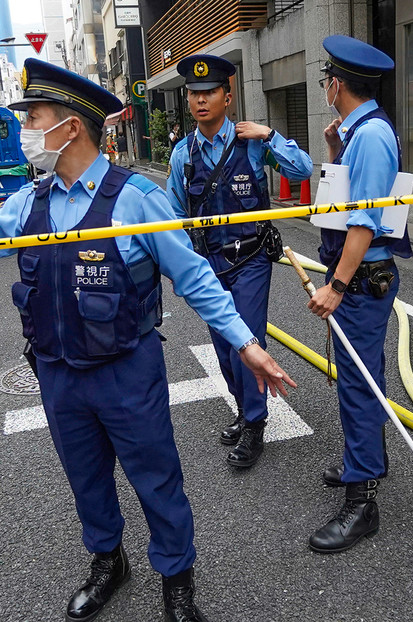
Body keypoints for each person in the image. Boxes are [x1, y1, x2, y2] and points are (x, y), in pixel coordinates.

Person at [0, 58, 296, 622]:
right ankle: (108, 562)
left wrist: (247, 344)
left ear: (71, 126)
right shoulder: (30, 202)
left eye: (35, 117)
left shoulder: (137, 202)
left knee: (157, 479)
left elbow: (195, 278)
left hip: (128, 370)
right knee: (86, 477)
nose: (26, 129)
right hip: (56, 371)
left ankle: (176, 578)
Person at [166, 54, 312, 469]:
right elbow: (176, 216)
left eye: (209, 92)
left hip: (251, 259)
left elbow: (301, 171)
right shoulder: (183, 155)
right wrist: (183, 268)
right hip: (208, 263)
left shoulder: (251, 142)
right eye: (194, 94)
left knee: (247, 339)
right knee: (224, 345)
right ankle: (243, 407)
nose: (200, 100)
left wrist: (270, 135)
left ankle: (255, 423)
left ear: (227, 97)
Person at [305, 35, 411, 554]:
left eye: (327, 79)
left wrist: (337, 286)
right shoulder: (354, 134)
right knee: (360, 377)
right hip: (358, 278)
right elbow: (337, 203)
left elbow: (364, 223)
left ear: (338, 83)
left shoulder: (370, 136)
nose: (326, 86)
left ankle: (361, 502)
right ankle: (363, 462)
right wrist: (331, 150)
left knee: (359, 384)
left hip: (362, 281)